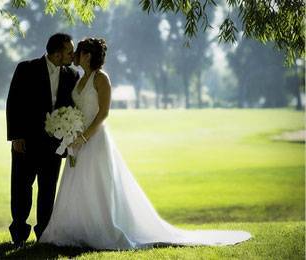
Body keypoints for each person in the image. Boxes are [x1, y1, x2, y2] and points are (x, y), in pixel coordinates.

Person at [39, 37, 252, 249]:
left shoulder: (100, 78)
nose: (74, 55)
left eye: (78, 52)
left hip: (94, 140)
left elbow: (103, 113)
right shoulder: (79, 78)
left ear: (87, 55)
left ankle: (101, 229)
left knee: (96, 183)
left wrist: (84, 137)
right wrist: (71, 130)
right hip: (77, 140)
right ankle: (77, 230)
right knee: (78, 183)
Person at [6, 33, 79, 247]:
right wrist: (16, 136)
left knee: (48, 189)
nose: (72, 55)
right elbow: (13, 102)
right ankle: (18, 234)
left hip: (54, 145)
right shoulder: (26, 68)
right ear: (57, 54)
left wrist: (68, 136)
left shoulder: (72, 75)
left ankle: (44, 234)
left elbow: (71, 108)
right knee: (21, 188)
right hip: (26, 142)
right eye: (69, 51)